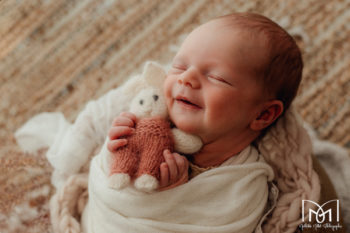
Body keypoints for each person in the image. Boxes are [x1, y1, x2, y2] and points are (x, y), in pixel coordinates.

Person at [107, 12, 301, 190]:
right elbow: (108, 184)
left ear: (263, 114)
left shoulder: (243, 182)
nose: (186, 78)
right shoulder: (149, 112)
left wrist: (172, 194)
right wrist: (116, 146)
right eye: (180, 66)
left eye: (217, 77)